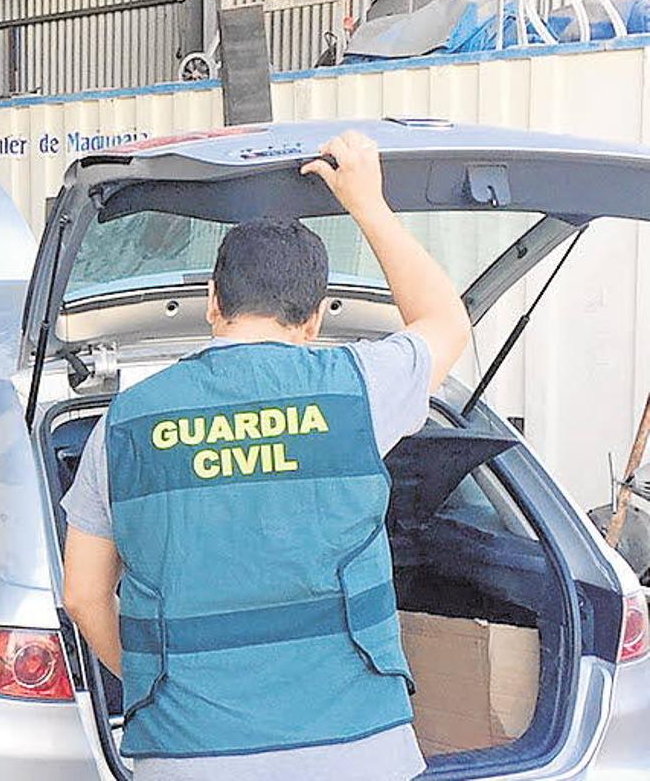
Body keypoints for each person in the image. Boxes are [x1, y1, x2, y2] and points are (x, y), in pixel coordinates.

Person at [61, 131, 471, 781]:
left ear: (213, 304)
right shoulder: (358, 389)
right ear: (312, 320)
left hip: (187, 754)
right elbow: (447, 321)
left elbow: (84, 597)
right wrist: (367, 204)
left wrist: (162, 680)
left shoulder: (126, 423)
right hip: (358, 749)